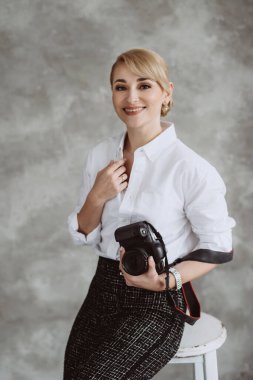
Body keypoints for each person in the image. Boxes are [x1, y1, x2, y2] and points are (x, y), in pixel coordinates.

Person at [63, 48, 236, 380]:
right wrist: (97, 195)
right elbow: (85, 232)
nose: (131, 97)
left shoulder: (191, 168)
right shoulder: (100, 154)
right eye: (120, 86)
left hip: (156, 302)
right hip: (102, 288)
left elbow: (219, 246)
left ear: (165, 92)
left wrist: (164, 281)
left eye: (144, 86)